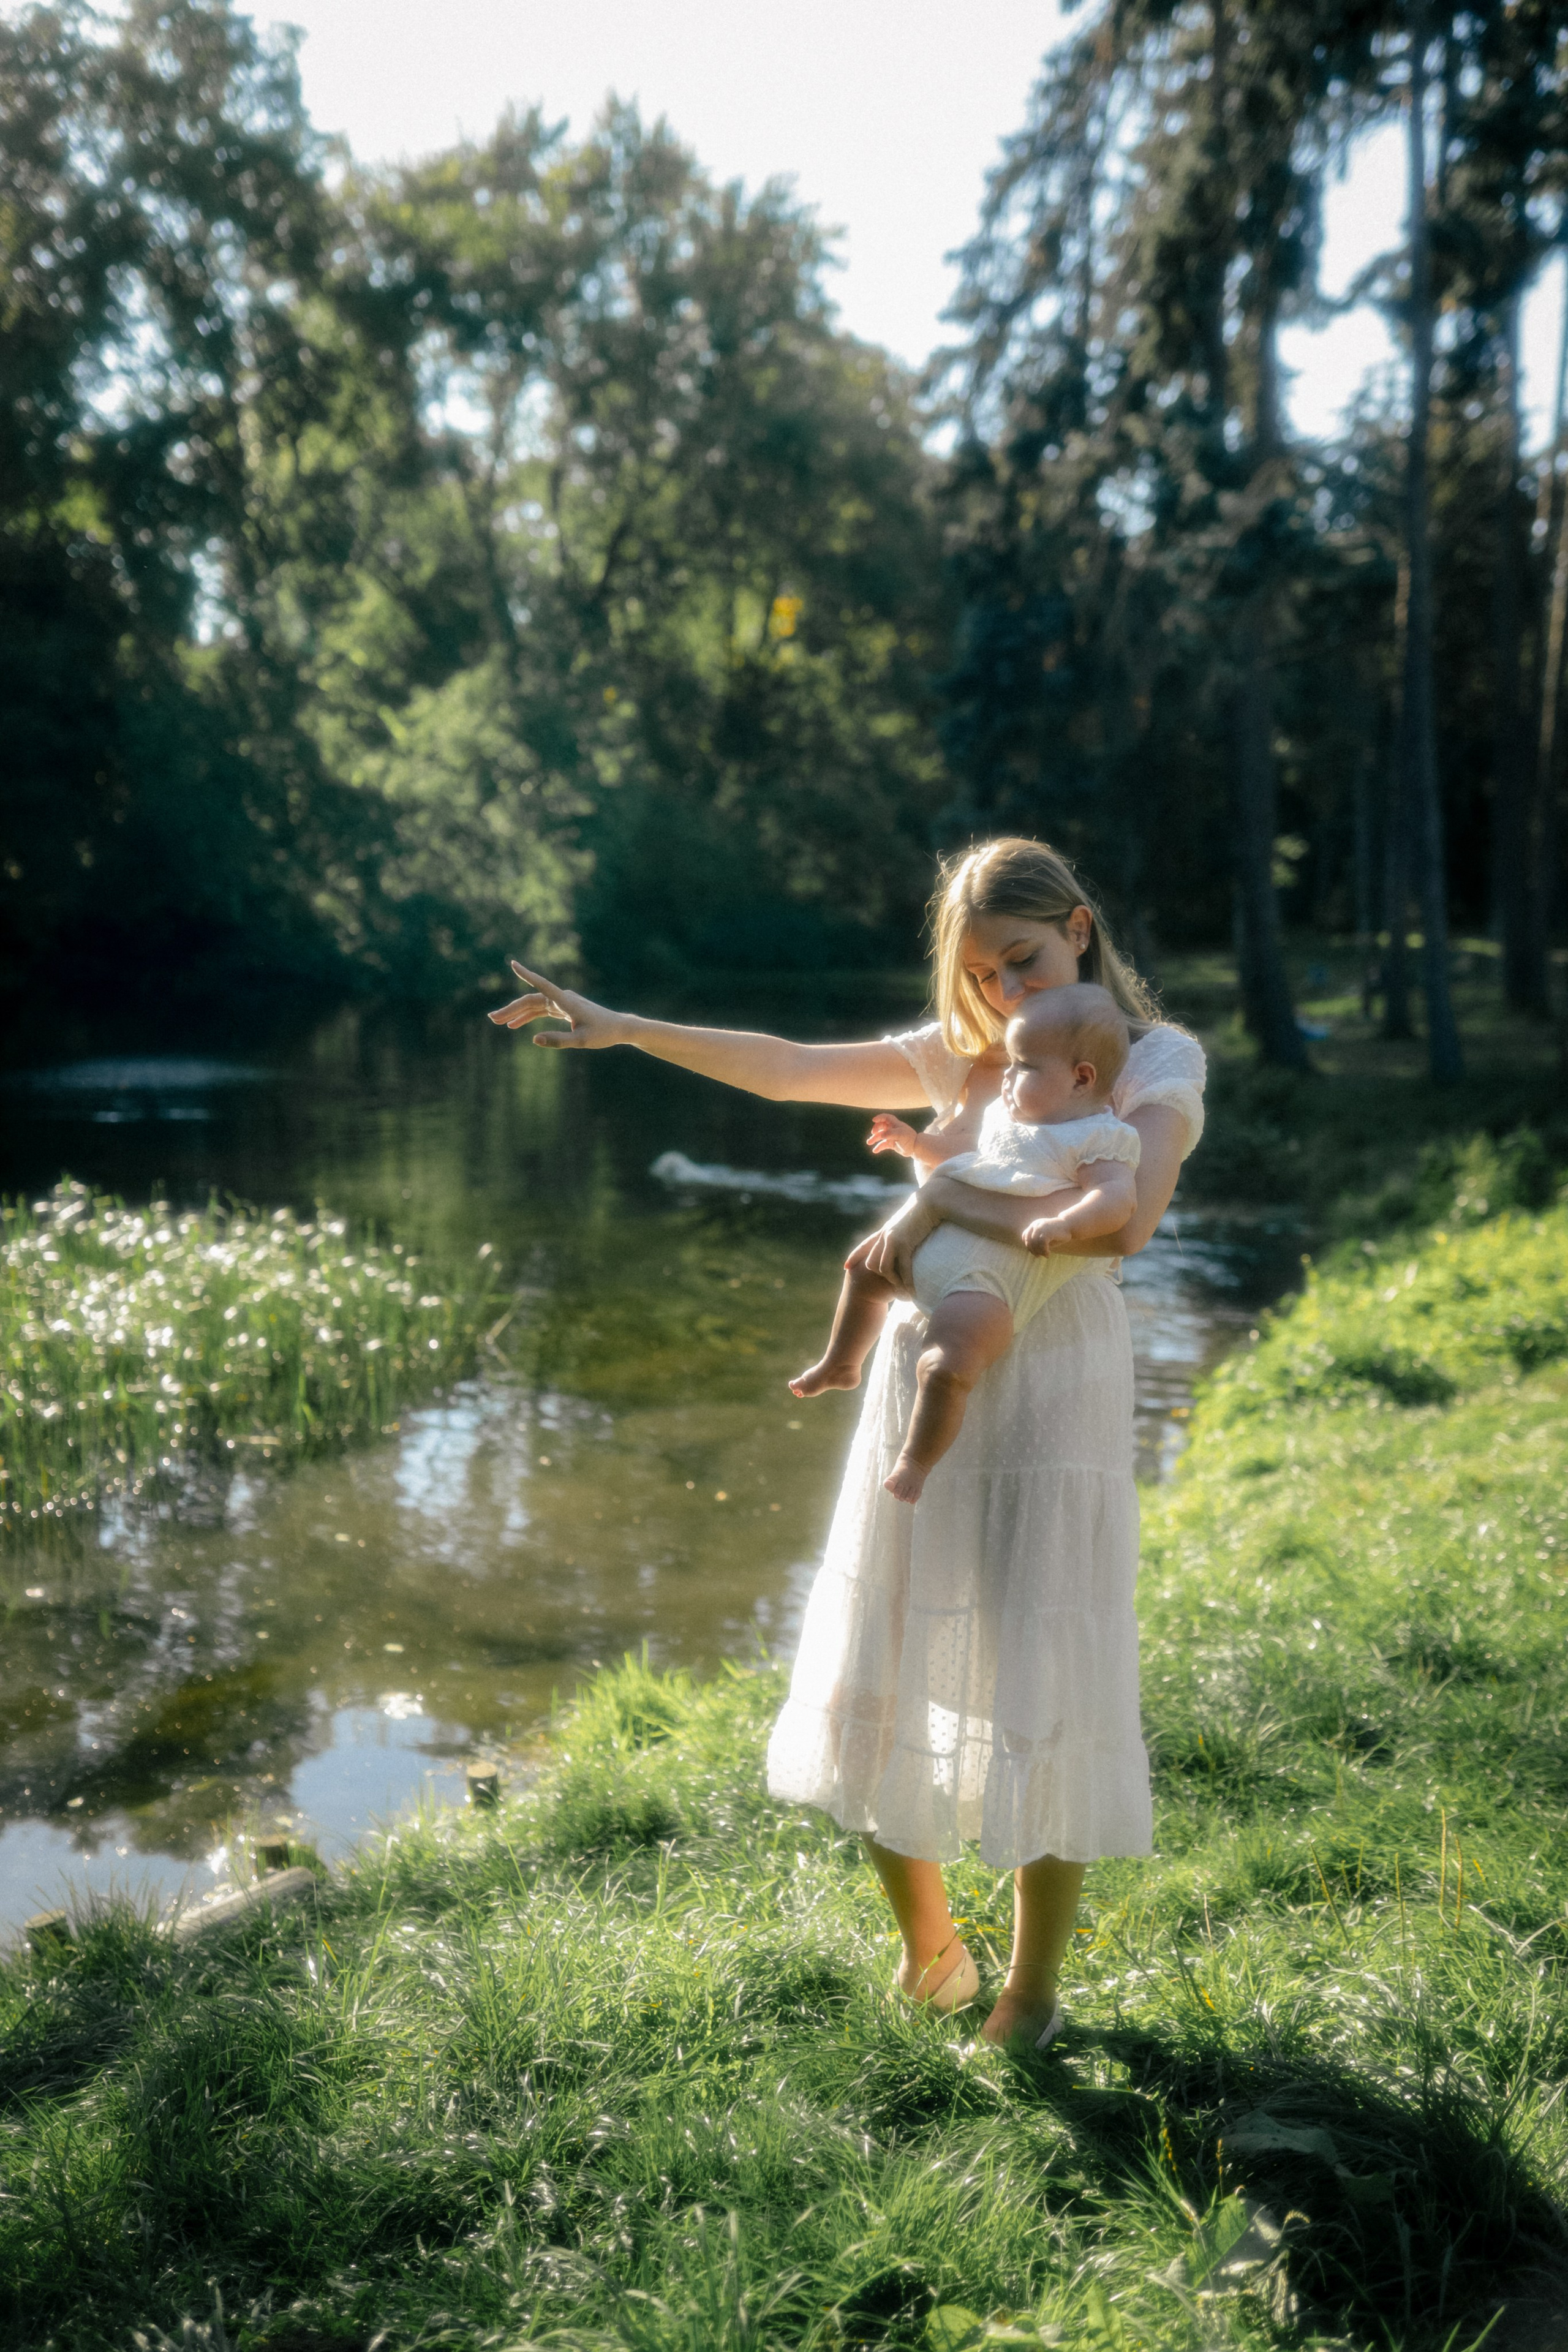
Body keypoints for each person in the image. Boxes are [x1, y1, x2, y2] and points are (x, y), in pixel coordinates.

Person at [488, 836, 1205, 2049]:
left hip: (1050, 1394)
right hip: (916, 1379)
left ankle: (1030, 1994)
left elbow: (1119, 1226)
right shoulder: (962, 1055)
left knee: (1042, 1661)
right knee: (885, 1650)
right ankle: (930, 1952)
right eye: (980, 975)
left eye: (1022, 962)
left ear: (1078, 928)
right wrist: (620, 1026)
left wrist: (940, 1203)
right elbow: (778, 1067)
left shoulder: (1146, 1060)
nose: (1004, 997)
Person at [790, 984, 1142, 1507]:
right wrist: (914, 1143)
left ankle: (916, 1460)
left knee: (948, 1366)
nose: (1007, 1077)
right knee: (864, 1268)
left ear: (1081, 1078)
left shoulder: (1099, 1138)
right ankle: (842, 1361)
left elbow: (1117, 1200)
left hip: (988, 1283)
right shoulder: (1009, 1117)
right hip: (928, 1243)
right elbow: (962, 1150)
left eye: (1023, 1066)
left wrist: (1066, 1224)